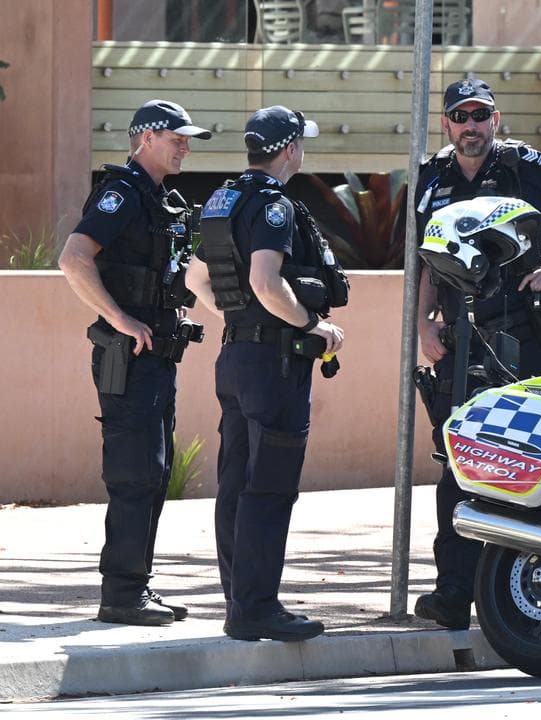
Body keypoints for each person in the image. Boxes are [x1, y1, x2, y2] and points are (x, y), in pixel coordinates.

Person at [412, 77, 541, 630]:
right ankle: (454, 593)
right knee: (459, 462)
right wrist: (422, 326)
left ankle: (523, 596)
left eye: (481, 115)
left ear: (495, 119)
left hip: (524, 336)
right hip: (459, 342)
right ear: (447, 124)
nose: (471, 126)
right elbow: (425, 262)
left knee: (527, 461)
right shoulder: (431, 177)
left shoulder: (526, 168)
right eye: (461, 116)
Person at [185, 105, 348, 642]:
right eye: (301, 144)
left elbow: (197, 280)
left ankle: (241, 601)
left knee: (236, 482)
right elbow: (265, 280)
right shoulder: (273, 205)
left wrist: (238, 322)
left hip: (235, 359)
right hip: (275, 362)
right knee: (269, 488)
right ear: (288, 150)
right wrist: (313, 325)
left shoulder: (221, 199)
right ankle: (255, 608)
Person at [58, 100, 211, 626]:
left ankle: (135, 586)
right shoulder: (122, 193)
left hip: (158, 358)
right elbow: (73, 258)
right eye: (177, 137)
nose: (185, 146)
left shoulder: (158, 199)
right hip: (130, 358)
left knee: (154, 472)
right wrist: (119, 318)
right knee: (134, 474)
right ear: (145, 138)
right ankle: (121, 594)